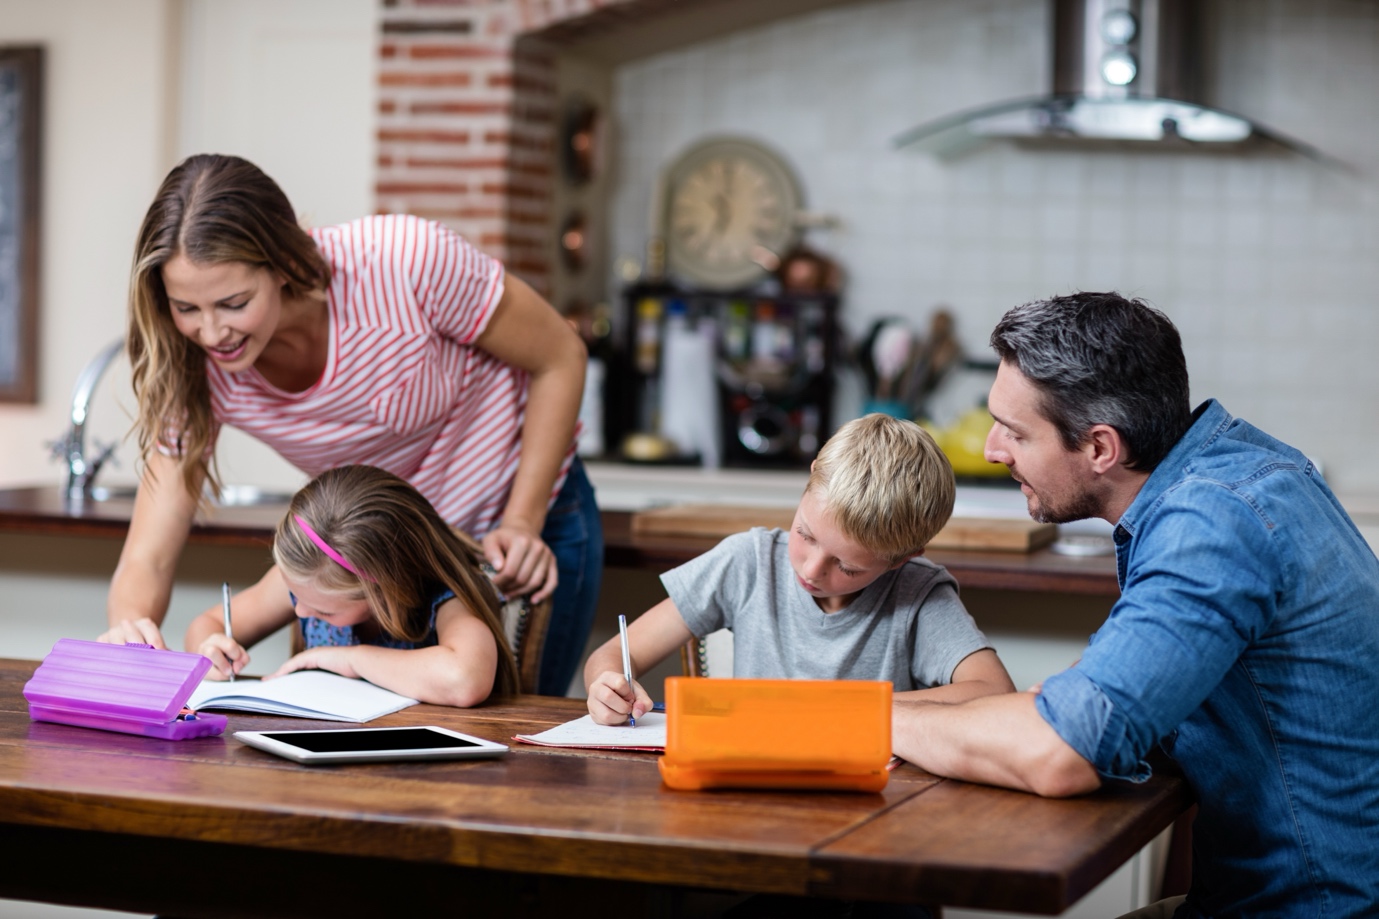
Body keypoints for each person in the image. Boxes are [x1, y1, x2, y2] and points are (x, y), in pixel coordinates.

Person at [891, 292, 1379, 918]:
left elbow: (1059, 753)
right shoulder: (1243, 470)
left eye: (1015, 431)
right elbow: (1091, 711)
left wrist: (859, 718)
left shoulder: (1212, 525)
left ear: (1100, 448)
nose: (991, 449)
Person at [101, 153, 601, 695]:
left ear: (284, 262)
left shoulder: (406, 262)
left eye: (233, 302)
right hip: (370, 562)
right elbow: (148, 553)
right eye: (186, 308)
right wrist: (129, 631)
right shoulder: (192, 361)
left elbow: (561, 357)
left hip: (517, 525)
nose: (212, 332)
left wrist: (522, 521)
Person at [585, 413, 1015, 726]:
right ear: (810, 481)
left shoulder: (918, 594)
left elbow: (993, 692)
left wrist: (843, 708)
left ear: (904, 558)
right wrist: (607, 685)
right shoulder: (747, 562)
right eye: (805, 534)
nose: (810, 569)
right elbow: (614, 655)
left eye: (846, 566)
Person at [187, 465, 518, 706]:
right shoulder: (306, 581)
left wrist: (351, 659)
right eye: (295, 597)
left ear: (385, 591)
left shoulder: (445, 600)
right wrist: (210, 650)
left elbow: (465, 680)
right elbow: (206, 624)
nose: (300, 610)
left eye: (323, 610)